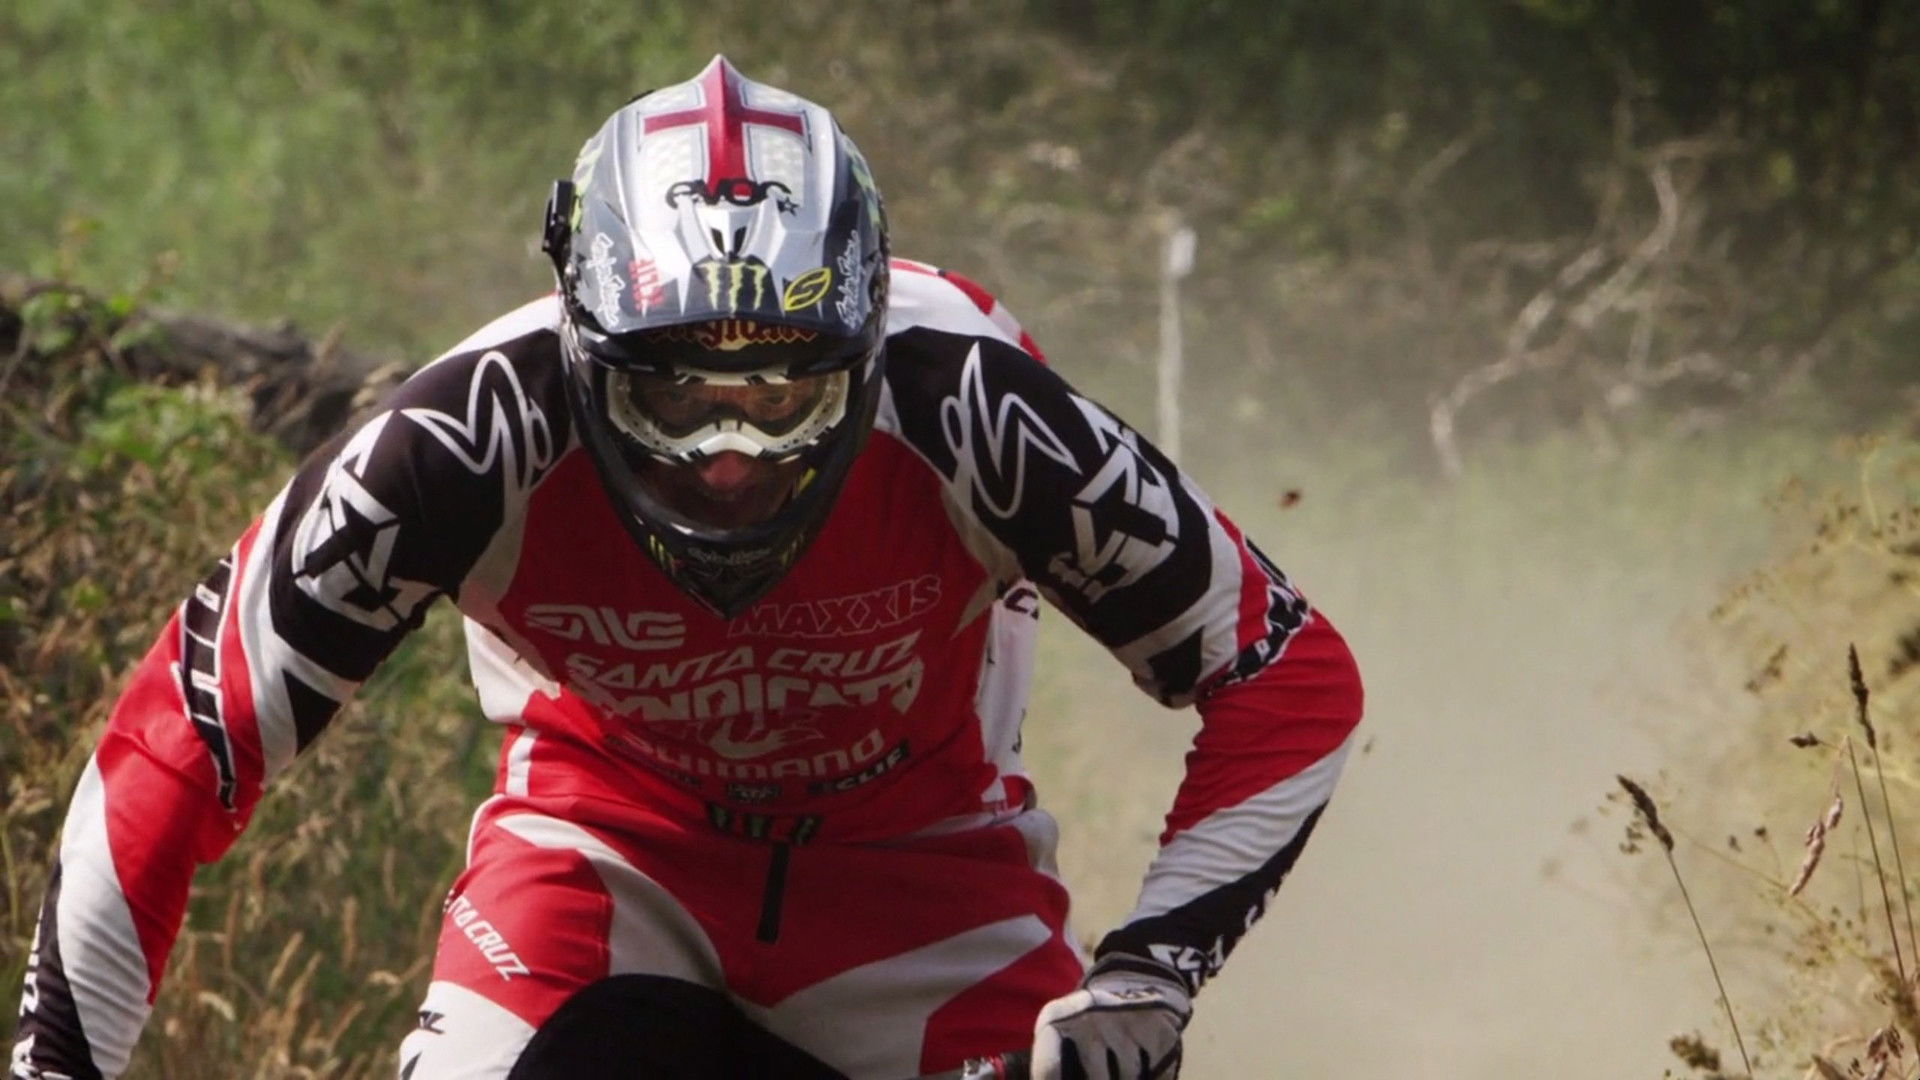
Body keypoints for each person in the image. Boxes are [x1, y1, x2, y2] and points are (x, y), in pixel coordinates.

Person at [10, 56, 1362, 1080]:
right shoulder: (469, 434)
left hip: (926, 880)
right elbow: (174, 742)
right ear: (581, 341)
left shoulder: (971, 402)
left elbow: (1291, 677)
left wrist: (1148, 977)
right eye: (672, 396)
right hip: (604, 859)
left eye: (781, 397)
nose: (727, 460)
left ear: (864, 344)